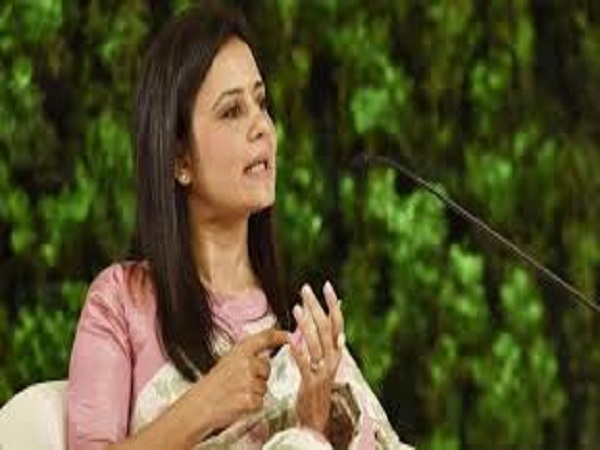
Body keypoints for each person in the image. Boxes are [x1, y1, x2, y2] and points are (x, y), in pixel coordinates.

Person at [67, 3, 413, 449]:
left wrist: (315, 421)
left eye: (261, 103)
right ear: (179, 160)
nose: (262, 127)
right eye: (232, 111)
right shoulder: (122, 301)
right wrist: (204, 404)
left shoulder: (301, 328)